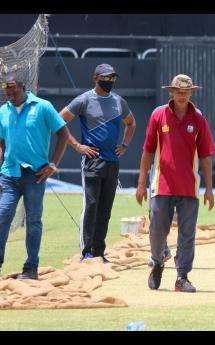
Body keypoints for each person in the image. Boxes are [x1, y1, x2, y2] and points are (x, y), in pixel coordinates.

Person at [136, 74, 215, 292]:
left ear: (191, 93)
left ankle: (182, 277)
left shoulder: (199, 120)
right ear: (171, 92)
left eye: (185, 92)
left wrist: (209, 189)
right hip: (161, 184)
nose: (182, 96)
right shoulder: (158, 115)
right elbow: (148, 150)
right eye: (178, 92)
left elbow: (206, 156)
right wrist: (141, 183)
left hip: (189, 187)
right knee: (157, 229)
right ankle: (158, 261)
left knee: (187, 234)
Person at [59, 64, 136, 262]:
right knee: (91, 206)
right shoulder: (84, 100)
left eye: (112, 78)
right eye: (106, 78)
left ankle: (100, 254)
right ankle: (86, 253)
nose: (109, 82)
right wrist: (77, 146)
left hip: (112, 162)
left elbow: (131, 123)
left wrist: (125, 144)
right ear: (95, 78)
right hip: (92, 161)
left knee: (105, 209)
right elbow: (58, 121)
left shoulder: (119, 101)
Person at [0, 73, 69, 279]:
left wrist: (53, 165)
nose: (10, 96)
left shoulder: (43, 107)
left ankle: (31, 268)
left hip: (35, 174)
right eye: (7, 92)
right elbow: (1, 144)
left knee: (33, 220)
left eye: (14, 91)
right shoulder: (3, 111)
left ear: (24, 87)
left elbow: (63, 134)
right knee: (3, 215)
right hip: (9, 173)